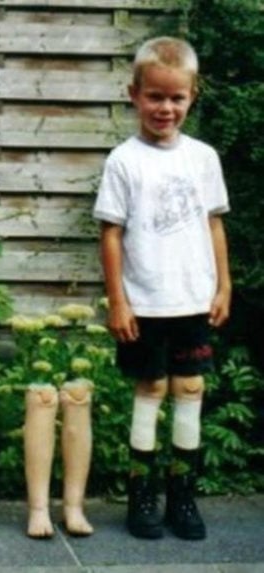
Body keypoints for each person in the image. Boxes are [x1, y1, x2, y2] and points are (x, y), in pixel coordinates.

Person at [93, 36, 231, 541]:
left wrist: (224, 285)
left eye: (177, 98)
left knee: (191, 388)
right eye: (155, 96)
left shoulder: (203, 158)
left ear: (192, 96)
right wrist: (118, 299)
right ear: (134, 94)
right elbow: (111, 233)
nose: (165, 108)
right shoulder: (124, 161)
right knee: (150, 389)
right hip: (144, 301)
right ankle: (142, 495)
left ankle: (183, 495)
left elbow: (214, 224)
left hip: (194, 297)